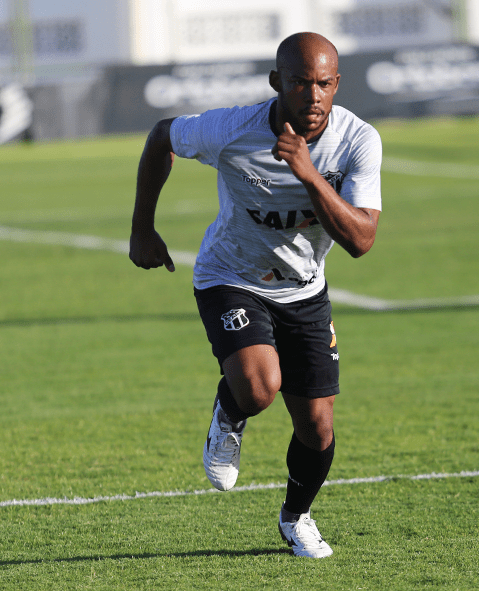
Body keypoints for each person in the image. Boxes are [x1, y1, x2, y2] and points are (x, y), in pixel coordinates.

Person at [129, 31, 382, 558]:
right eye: (300, 83)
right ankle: (230, 412)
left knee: (317, 427)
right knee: (259, 387)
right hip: (230, 276)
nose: (313, 96)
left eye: (324, 84)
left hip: (304, 289)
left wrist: (308, 173)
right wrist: (142, 228)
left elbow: (361, 240)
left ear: (338, 84)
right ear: (276, 82)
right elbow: (161, 136)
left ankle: (296, 518)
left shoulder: (358, 140)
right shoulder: (232, 129)